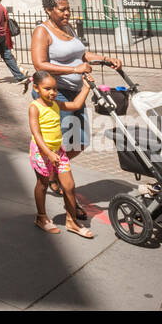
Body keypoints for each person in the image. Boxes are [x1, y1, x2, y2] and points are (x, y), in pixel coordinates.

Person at [30, 0, 120, 214]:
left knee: (79, 142)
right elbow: (39, 64)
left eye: (68, 8)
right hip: (55, 95)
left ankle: (51, 171)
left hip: (76, 92)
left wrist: (106, 59)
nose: (67, 13)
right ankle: (63, 187)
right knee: (61, 145)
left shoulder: (67, 28)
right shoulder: (42, 32)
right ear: (49, 10)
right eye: (62, 9)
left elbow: (82, 54)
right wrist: (73, 69)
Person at [28, 70, 95, 238]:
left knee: (69, 186)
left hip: (58, 152)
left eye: (55, 89)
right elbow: (36, 134)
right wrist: (48, 153)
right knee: (42, 185)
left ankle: (72, 221)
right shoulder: (34, 108)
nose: (52, 93)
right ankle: (41, 217)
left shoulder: (56, 104)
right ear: (36, 88)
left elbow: (76, 105)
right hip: (41, 153)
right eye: (47, 89)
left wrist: (86, 87)